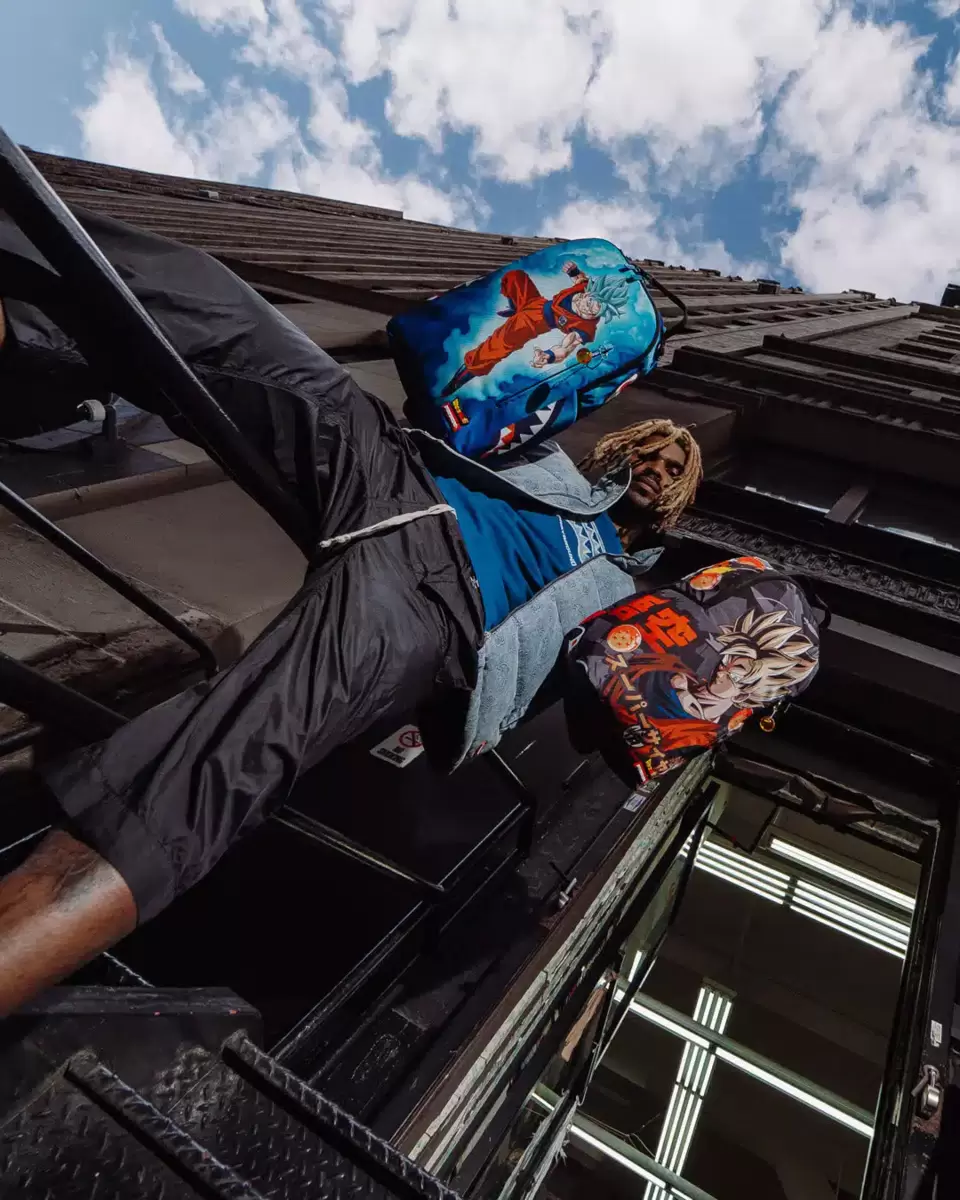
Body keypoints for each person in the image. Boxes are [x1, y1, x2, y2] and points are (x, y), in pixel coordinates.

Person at [0, 207, 702, 1014]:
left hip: (430, 613)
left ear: (676, 503)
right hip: (389, 472)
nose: (659, 465)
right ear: (623, 445)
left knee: (217, 773)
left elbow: (600, 711)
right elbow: (466, 392)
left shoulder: (631, 601)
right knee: (217, 309)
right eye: (653, 449)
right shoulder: (548, 456)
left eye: (674, 469)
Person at [441, 260, 632, 395]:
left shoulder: (585, 328)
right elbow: (580, 278)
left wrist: (548, 356)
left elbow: (565, 348)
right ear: (589, 293)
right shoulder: (585, 286)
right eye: (589, 303)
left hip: (533, 324)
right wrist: (574, 271)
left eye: (594, 312)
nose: (587, 310)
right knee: (515, 277)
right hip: (537, 303)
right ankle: (515, 308)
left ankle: (463, 376)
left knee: (498, 344)